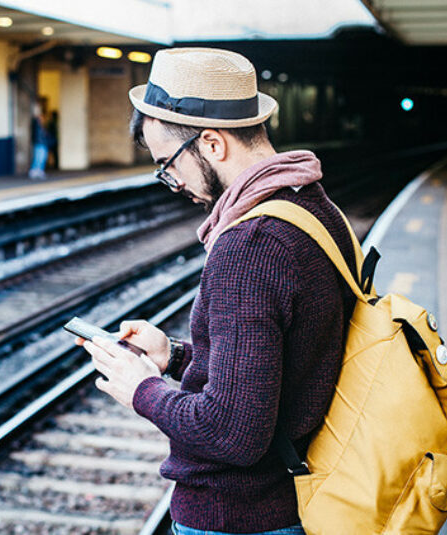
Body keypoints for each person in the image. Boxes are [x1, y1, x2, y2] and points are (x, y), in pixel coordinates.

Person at [76, 48, 358, 534]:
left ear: (211, 143)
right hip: (297, 494)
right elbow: (283, 364)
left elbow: (231, 433)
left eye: (168, 163)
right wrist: (175, 356)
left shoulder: (248, 246)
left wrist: (141, 390)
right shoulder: (313, 208)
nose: (171, 182)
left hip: (241, 516)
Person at [29, 101, 49, 179]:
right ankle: (35, 171)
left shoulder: (41, 127)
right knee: (39, 157)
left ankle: (38, 170)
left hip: (42, 143)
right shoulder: (36, 124)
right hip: (39, 142)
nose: (42, 118)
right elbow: (35, 117)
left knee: (41, 157)